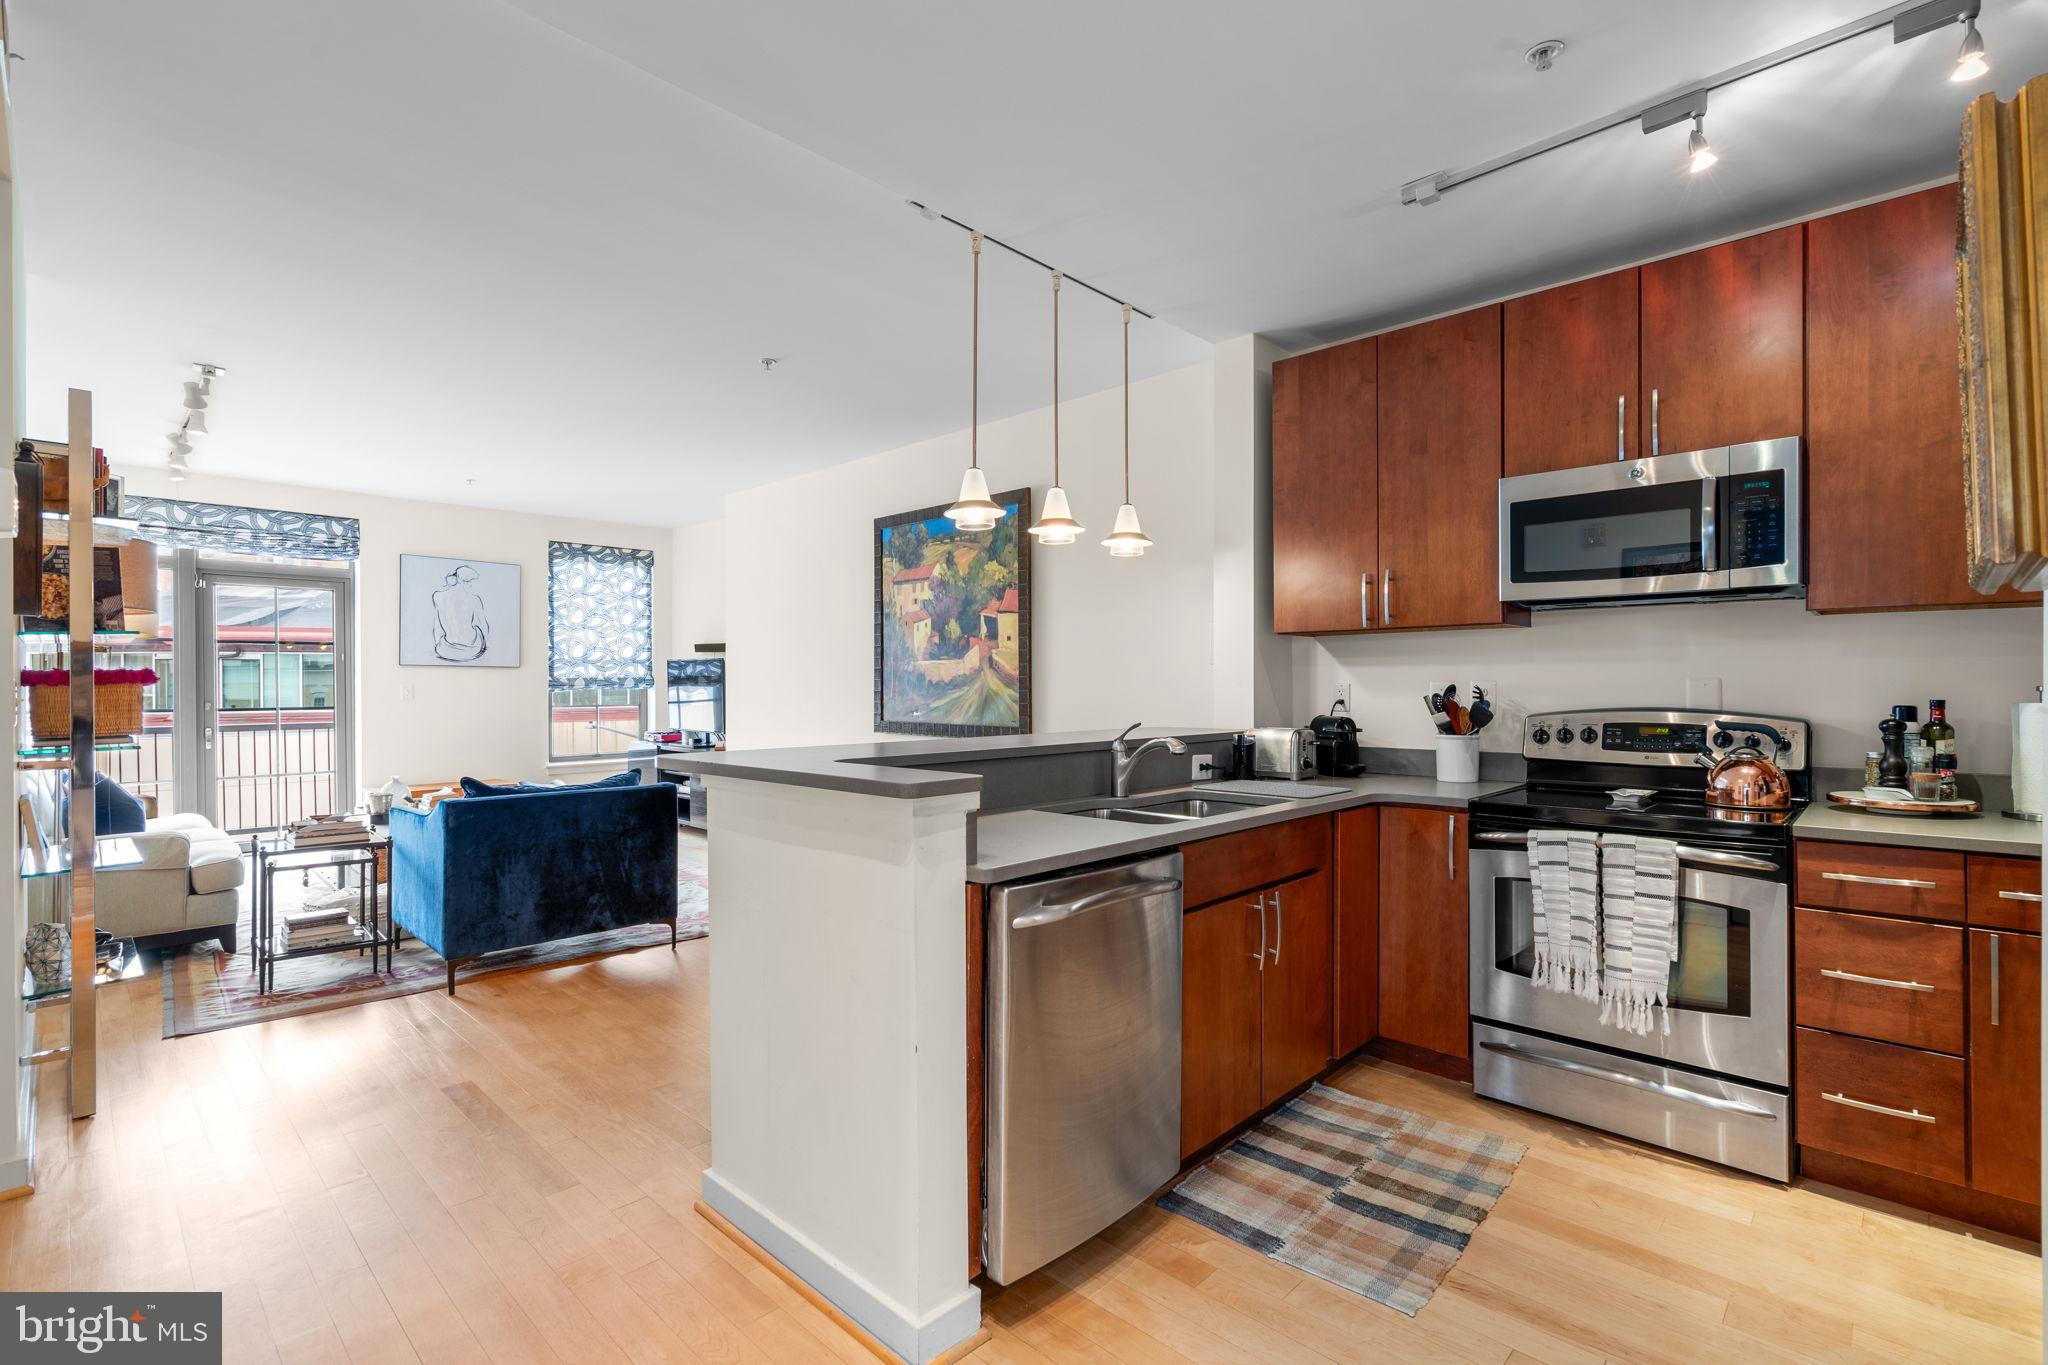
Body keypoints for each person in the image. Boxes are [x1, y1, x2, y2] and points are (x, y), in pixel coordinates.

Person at [431, 564, 489, 662]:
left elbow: (437, 624)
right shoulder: (474, 599)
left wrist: (438, 644)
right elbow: (484, 626)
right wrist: (484, 645)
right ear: (464, 582)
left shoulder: (437, 596)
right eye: (471, 582)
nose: (471, 586)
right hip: (471, 649)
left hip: (446, 649)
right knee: (477, 628)